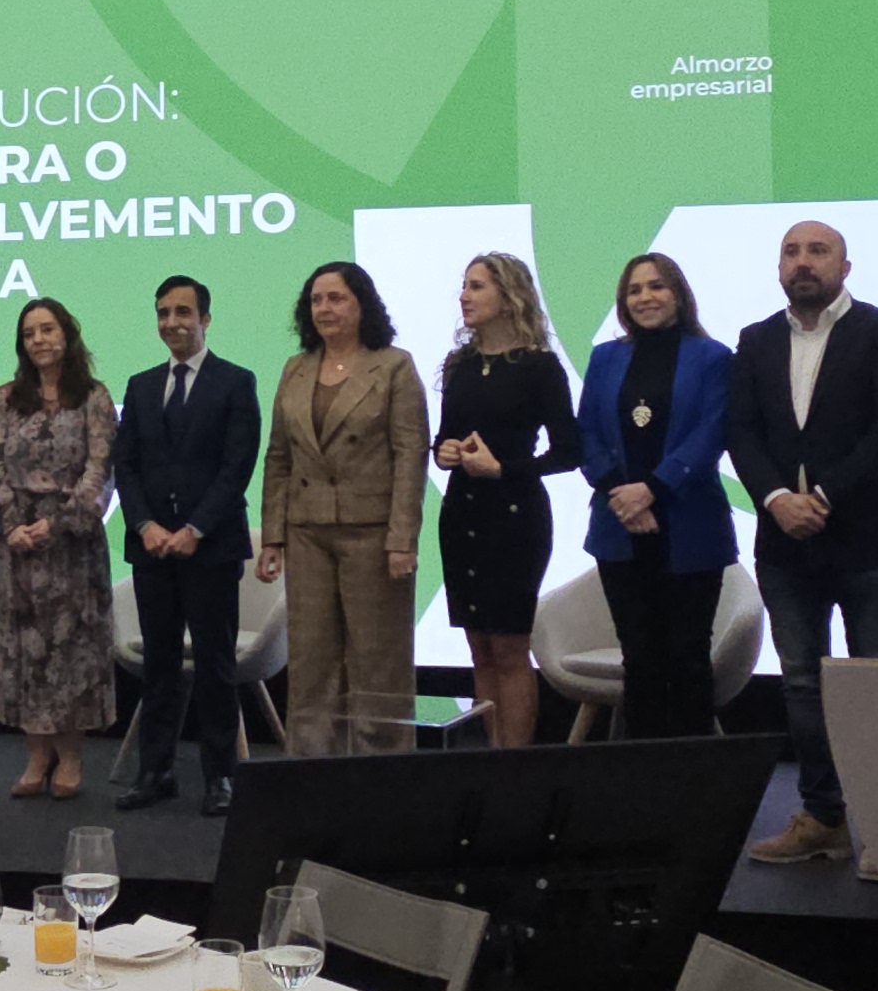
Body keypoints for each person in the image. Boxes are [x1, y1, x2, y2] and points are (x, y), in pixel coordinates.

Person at [727, 220, 878, 865]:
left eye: (818, 251)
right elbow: (741, 432)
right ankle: (822, 818)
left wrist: (824, 496)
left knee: (875, 684)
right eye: (791, 252)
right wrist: (776, 499)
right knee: (802, 685)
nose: (803, 262)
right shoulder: (755, 340)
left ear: (845, 265)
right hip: (785, 547)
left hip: (867, 542)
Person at [259, 262, 426, 755]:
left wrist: (402, 539)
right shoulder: (296, 368)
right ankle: (311, 770)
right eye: (316, 300)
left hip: (373, 534)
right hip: (306, 530)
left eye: (336, 298)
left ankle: (383, 771)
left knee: (378, 660)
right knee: (310, 660)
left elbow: (410, 456)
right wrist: (273, 536)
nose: (324, 309)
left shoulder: (393, 366)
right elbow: (279, 456)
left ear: (362, 305)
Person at [113, 275, 260, 813]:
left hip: (211, 549)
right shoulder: (141, 385)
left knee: (216, 667)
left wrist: (195, 529)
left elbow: (236, 467)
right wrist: (145, 525)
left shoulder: (235, 382)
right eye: (163, 313)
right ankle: (155, 772)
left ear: (205, 319)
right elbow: (126, 466)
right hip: (152, 549)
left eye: (182, 312)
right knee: (160, 666)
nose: (171, 322)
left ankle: (220, 777)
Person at [579, 253, 739, 739]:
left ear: (678, 294)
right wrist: (623, 497)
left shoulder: (713, 357)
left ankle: (695, 776)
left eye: (656, 286)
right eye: (634, 290)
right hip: (618, 530)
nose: (645, 297)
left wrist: (652, 489)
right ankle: (642, 777)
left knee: (688, 660)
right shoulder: (605, 358)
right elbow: (586, 433)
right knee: (640, 659)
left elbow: (712, 432)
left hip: (690, 527)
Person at [433, 254, 577, 749]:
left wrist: (503, 469)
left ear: (508, 295)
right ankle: (491, 758)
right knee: (479, 648)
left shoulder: (540, 366)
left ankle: (514, 766)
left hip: (515, 517)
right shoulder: (460, 364)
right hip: (462, 513)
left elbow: (569, 451)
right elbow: (445, 436)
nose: (464, 296)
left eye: (476, 286)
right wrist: (444, 451)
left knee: (510, 647)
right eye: (464, 285)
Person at [0, 299, 118, 799]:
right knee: (22, 652)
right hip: (16, 546)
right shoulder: (6, 397)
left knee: (70, 652)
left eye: (47, 329)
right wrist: (12, 525)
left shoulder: (94, 397)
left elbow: (100, 471)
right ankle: (37, 756)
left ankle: (71, 756)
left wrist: (55, 525)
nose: (38, 339)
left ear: (67, 335)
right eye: (29, 333)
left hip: (71, 547)